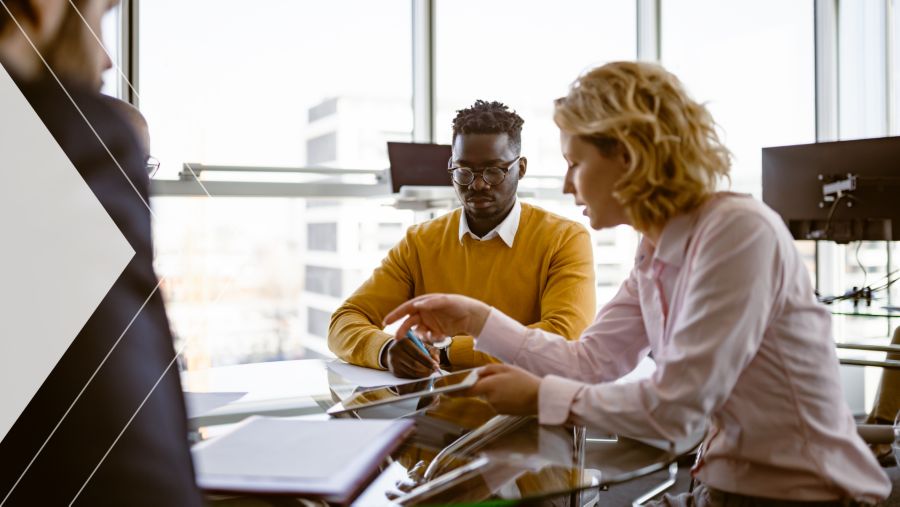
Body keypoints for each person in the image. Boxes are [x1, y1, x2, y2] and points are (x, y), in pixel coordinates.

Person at [385, 62, 891, 504]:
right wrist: (477, 318)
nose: (567, 184)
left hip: (804, 496)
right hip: (719, 487)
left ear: (628, 156)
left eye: (575, 163)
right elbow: (591, 362)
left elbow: (676, 411)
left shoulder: (738, 233)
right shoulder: (655, 251)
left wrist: (542, 398)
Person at [0, 1, 202, 504]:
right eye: (102, 13)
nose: (108, 59)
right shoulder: (57, 156)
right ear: (41, 9)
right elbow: (129, 479)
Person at [329, 99, 596, 378]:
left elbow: (564, 335)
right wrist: (385, 350)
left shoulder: (563, 238)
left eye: (494, 171)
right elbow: (344, 322)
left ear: (522, 168)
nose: (478, 185)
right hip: (434, 413)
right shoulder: (420, 242)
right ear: (451, 167)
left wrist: (448, 350)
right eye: (464, 172)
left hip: (526, 412)